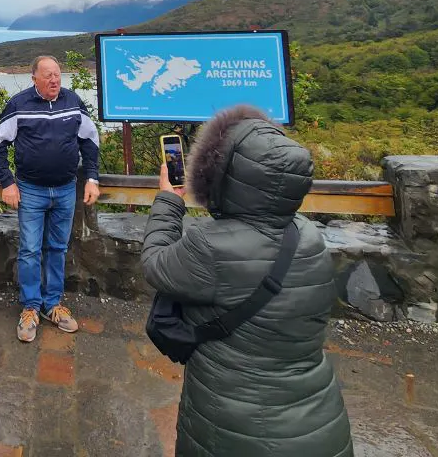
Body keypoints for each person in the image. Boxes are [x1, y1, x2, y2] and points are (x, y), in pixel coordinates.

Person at [141, 105, 353, 456]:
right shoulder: (308, 236)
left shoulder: (211, 245)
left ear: (222, 174)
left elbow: (155, 265)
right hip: (319, 419)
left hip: (234, 424)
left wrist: (168, 199)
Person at [0, 55, 100, 343]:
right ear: (34, 78)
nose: (54, 80)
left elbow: (90, 141)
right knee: (29, 249)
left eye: (57, 74)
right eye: (48, 75)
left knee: (58, 248)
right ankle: (30, 307)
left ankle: (53, 304)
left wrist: (92, 178)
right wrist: (7, 182)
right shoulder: (19, 105)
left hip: (65, 189)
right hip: (31, 190)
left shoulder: (73, 102)